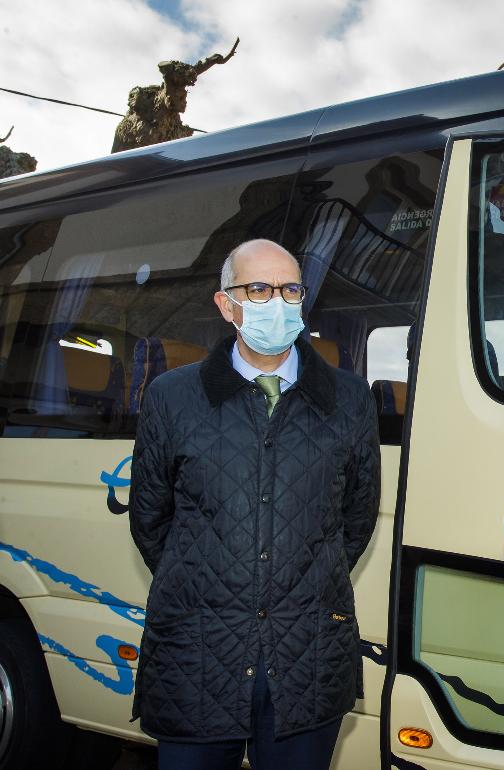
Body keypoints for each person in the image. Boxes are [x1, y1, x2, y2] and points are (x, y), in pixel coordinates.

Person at [129, 239, 380, 769]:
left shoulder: (350, 399)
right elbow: (152, 522)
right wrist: (218, 581)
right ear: (227, 305)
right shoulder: (172, 397)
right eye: (259, 289)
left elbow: (355, 520)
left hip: (306, 654)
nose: (278, 302)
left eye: (290, 289)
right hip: (196, 656)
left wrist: (297, 579)